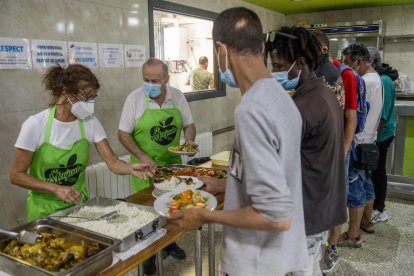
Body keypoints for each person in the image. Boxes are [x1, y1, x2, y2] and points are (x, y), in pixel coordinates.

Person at [169, 7, 308, 276]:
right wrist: (225, 185)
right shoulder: (282, 98)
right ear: (261, 46)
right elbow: (278, 177)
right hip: (283, 257)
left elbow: (274, 216)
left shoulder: (252, 109)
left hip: (257, 263)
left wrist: (204, 216)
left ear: (221, 50)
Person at [9, 64, 153, 222]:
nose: (90, 103)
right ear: (66, 92)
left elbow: (113, 162)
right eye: (86, 97)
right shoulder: (35, 125)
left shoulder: (90, 122)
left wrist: (130, 168)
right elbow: (16, 175)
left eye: (93, 98)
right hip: (44, 212)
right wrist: (55, 188)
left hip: (78, 209)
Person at [268, 26, 346, 276]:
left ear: (299, 63)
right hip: (318, 207)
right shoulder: (322, 92)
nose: (273, 73)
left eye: (278, 66)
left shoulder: (305, 105)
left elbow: (276, 163)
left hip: (306, 212)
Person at [118, 58, 196, 273]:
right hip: (144, 170)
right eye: (146, 79)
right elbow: (123, 133)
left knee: (171, 210)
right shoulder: (134, 99)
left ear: (166, 79)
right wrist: (142, 156)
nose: (150, 84)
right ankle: (149, 256)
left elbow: (189, 125)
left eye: (155, 80)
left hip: (172, 168)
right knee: (149, 215)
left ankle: (170, 243)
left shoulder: (177, 96)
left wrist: (189, 141)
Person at [313, 31, 358, 273]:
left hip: (340, 146)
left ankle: (332, 248)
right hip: (325, 149)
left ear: (320, 50)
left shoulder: (343, 74)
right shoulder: (317, 73)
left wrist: (344, 148)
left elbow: (350, 114)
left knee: (337, 199)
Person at [338, 43, 383, 247]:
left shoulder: (363, 80)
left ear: (359, 61)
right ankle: (366, 222)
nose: (346, 66)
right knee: (366, 185)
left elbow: (357, 115)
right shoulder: (378, 79)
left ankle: (353, 234)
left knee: (355, 188)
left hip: (358, 143)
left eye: (348, 62)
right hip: (370, 142)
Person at [367, 46, 398, 223]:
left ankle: (380, 208)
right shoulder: (380, 78)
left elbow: (383, 114)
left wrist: (374, 138)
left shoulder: (384, 80)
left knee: (379, 171)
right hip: (379, 132)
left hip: (383, 134)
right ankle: (374, 206)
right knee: (375, 171)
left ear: (374, 62)